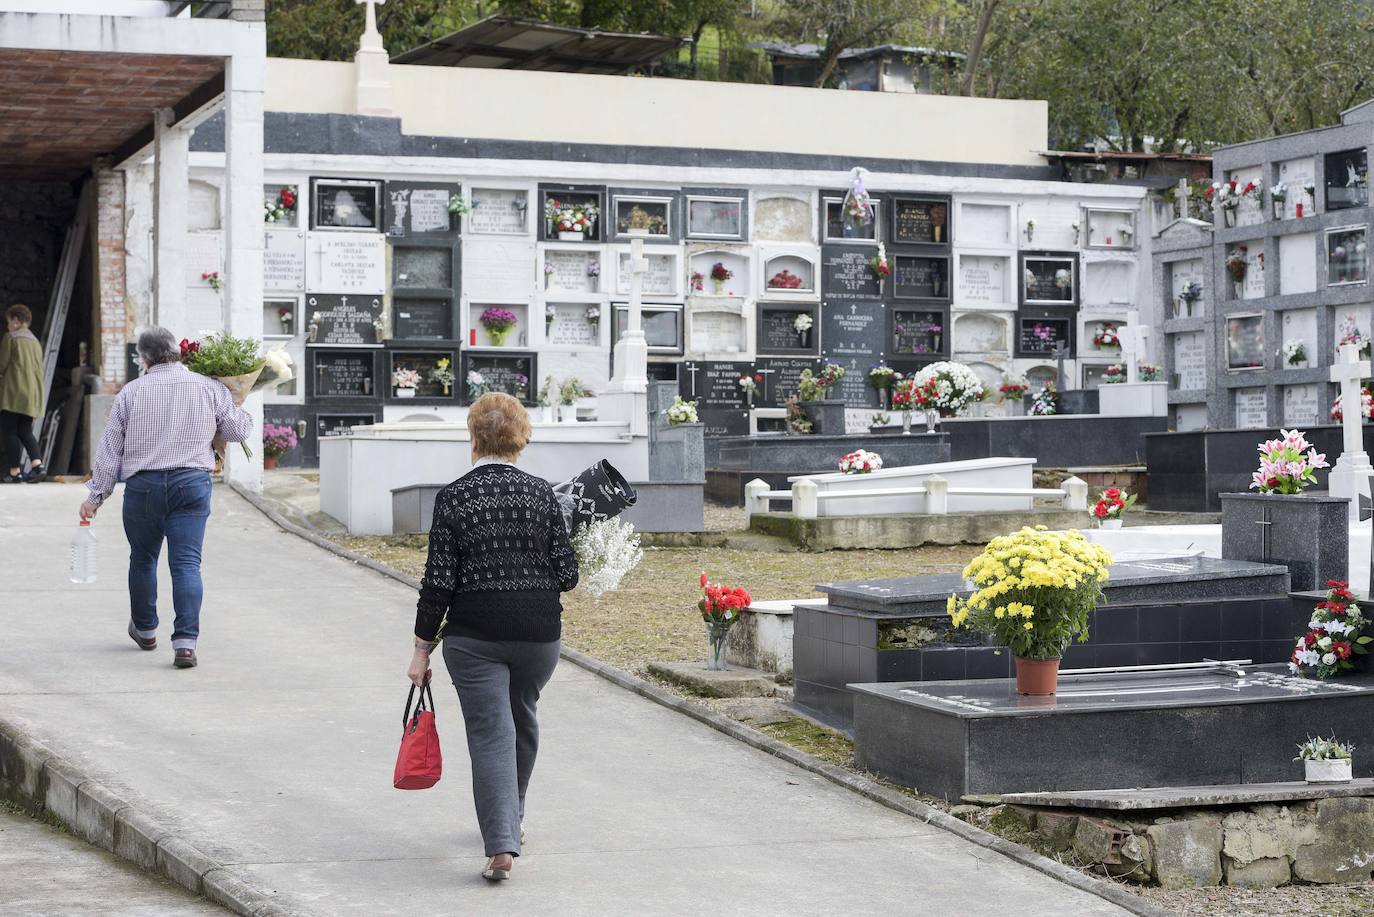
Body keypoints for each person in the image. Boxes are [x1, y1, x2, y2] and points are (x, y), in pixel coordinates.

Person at [408, 392, 578, 883]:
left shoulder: (454, 497)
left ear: (474, 436)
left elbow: (438, 581)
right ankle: (512, 821)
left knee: (490, 734)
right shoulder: (542, 494)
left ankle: (501, 843)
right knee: (521, 721)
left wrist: (421, 649)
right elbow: (567, 575)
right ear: (520, 436)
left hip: (475, 637)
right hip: (538, 635)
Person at [79, 326, 252, 669]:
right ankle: (185, 643)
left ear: (143, 359)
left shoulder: (130, 393)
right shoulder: (209, 387)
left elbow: (110, 450)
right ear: (177, 350)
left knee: (143, 559)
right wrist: (239, 403)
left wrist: (96, 497)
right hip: (191, 484)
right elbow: (237, 430)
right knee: (186, 563)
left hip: (143, 489)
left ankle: (145, 629)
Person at [0, 303, 46, 483]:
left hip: (13, 392)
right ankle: (38, 465)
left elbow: (2, 365)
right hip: (32, 394)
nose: (8, 326)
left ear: (16, 320)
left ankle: (15, 472)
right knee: (25, 430)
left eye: (9, 322)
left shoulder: (11, 338)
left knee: (10, 431)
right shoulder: (35, 342)